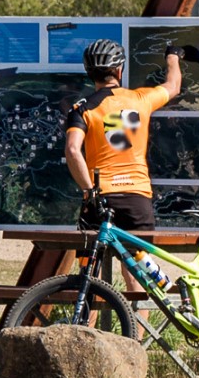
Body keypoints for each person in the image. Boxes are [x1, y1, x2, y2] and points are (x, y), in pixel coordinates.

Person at [64, 38, 182, 315]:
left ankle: (83, 337)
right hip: (137, 198)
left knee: (88, 277)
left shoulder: (83, 108)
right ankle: (137, 346)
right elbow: (173, 86)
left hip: (101, 198)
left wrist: (89, 191)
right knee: (139, 276)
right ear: (119, 71)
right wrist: (173, 56)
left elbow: (72, 150)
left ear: (89, 73)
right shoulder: (140, 99)